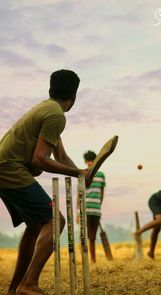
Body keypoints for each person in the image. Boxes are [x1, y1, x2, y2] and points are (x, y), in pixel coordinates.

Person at [0, 69, 89, 295]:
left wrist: (81, 173)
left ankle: (13, 290)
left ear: (51, 89)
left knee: (35, 226)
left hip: (4, 167)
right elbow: (39, 158)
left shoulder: (46, 108)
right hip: (10, 169)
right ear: (74, 95)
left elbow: (60, 156)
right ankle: (28, 284)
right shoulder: (56, 115)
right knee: (55, 221)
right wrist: (77, 172)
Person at [77, 151, 106, 263]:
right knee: (83, 236)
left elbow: (102, 192)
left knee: (92, 236)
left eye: (92, 160)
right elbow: (79, 194)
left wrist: (98, 207)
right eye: (88, 161)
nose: (90, 163)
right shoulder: (83, 174)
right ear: (86, 162)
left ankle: (93, 260)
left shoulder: (101, 175)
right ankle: (84, 259)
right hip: (85, 209)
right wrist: (77, 212)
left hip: (96, 210)